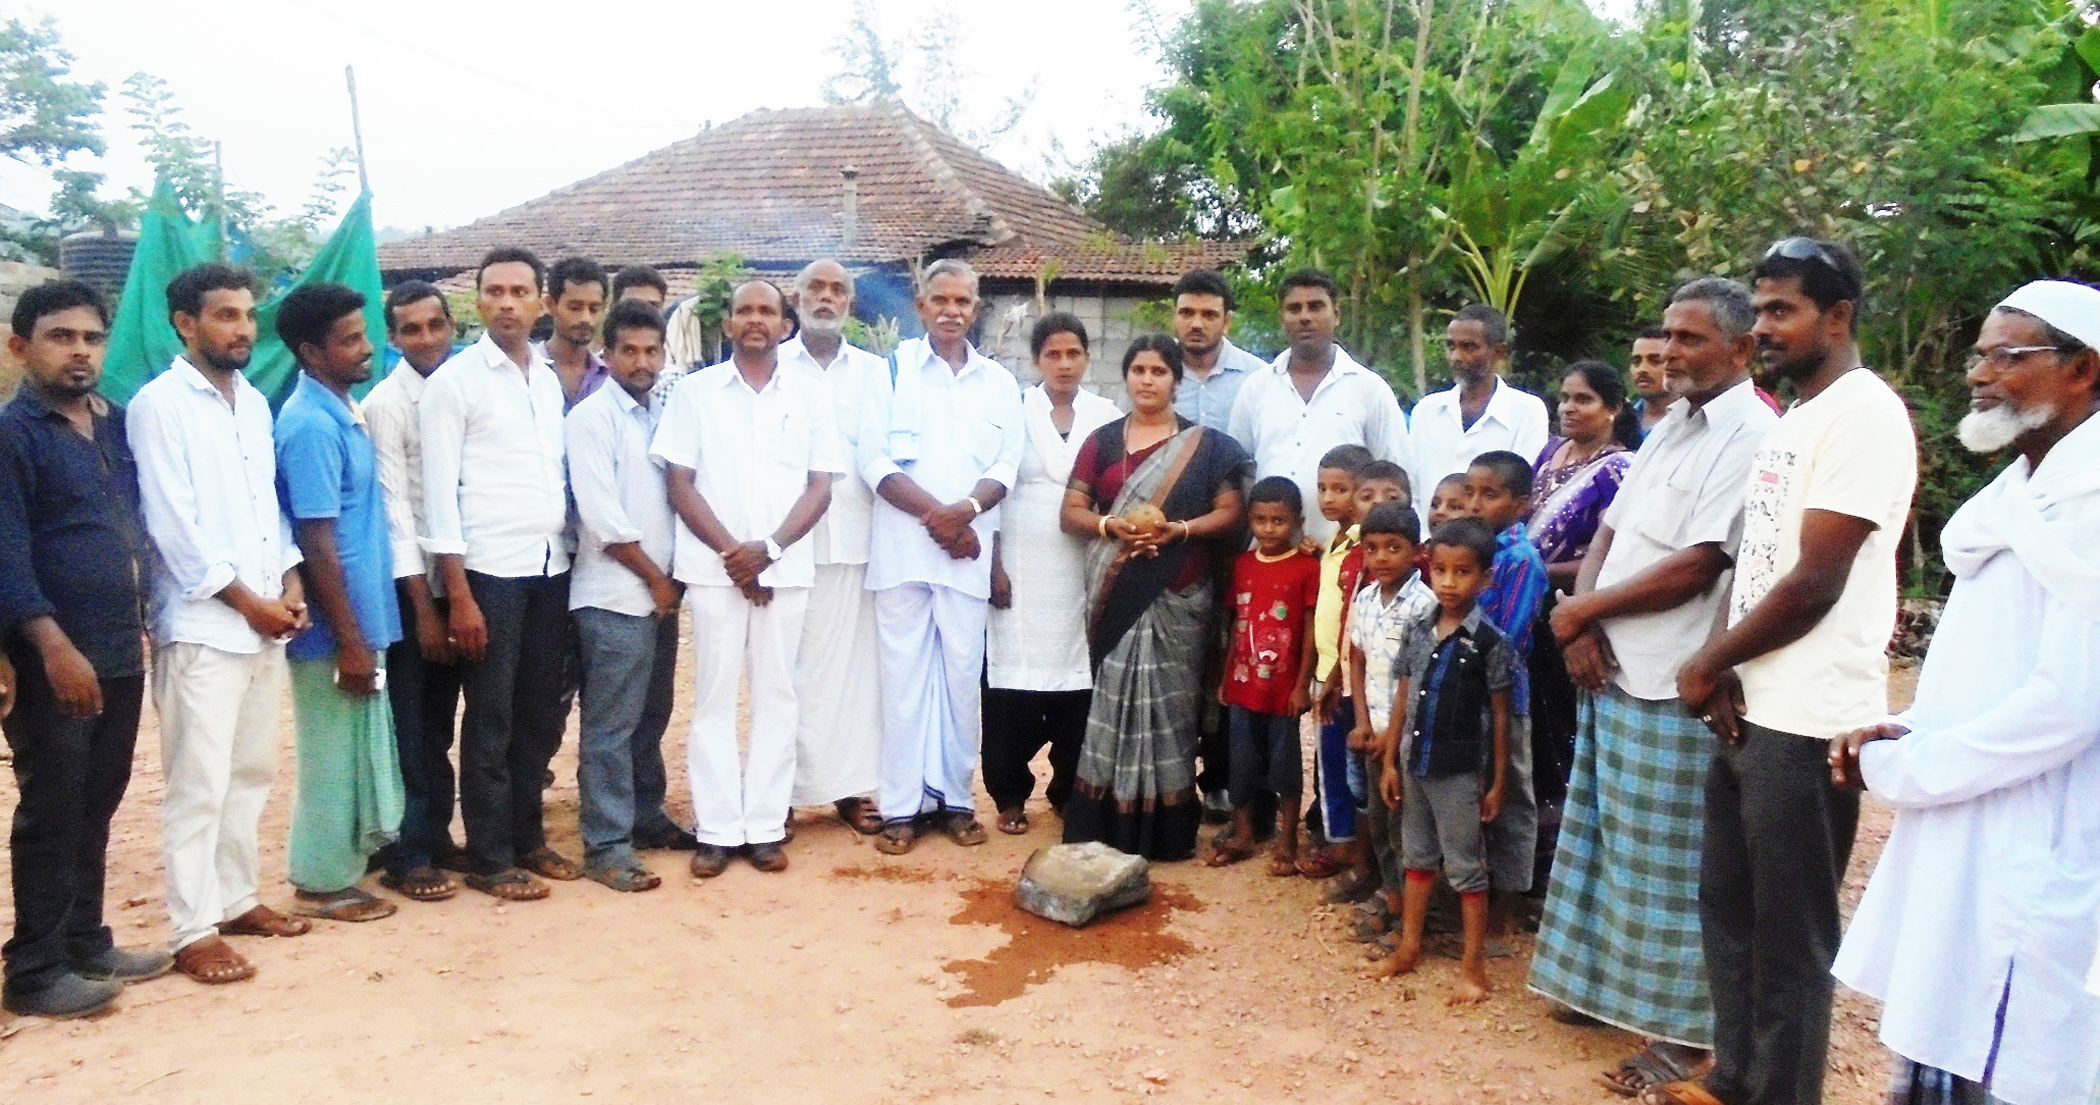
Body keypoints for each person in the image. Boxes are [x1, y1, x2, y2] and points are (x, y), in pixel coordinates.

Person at [1654, 238, 1918, 1105]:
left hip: (1808, 718)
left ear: (1837, 317)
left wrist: (1707, 660)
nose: (1763, 326)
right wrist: (1726, 667)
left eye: (1781, 310)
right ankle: (1735, 1077)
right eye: (1760, 308)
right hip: (1751, 702)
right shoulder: (1799, 415)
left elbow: (1815, 580)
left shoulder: (1865, 415)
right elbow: (1756, 562)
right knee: (1728, 906)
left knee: (1791, 937)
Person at [1828, 280, 2100, 1105]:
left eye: (2006, 356)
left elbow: (2069, 704)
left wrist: (1916, 766)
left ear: (2083, 367)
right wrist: (1909, 727)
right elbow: (1987, 664)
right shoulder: (2012, 499)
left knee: (2021, 1043)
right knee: (1950, 1020)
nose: (1978, 373)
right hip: (1971, 809)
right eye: (1977, 355)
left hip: (2050, 824)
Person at [1530, 276, 1775, 1096]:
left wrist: (1580, 612)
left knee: (1675, 868)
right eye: (1667, 334)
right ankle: (1604, 991)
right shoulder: (1668, 426)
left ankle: (1683, 1035)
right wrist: (1579, 620)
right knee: (1608, 845)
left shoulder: (1754, 434)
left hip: (1676, 679)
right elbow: (1608, 533)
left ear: (1740, 348)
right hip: (1610, 663)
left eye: (1690, 338)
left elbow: (1701, 563)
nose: (1669, 351)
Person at [129, 263, 310, 985]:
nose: (242, 328)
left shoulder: (254, 404)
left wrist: (290, 581)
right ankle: (191, 928)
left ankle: (236, 899)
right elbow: (172, 526)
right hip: (203, 624)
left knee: (251, 770)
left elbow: (268, 507)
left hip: (263, 619)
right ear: (186, 323)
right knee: (198, 781)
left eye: (247, 315)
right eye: (226, 315)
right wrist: (248, 601)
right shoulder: (159, 405)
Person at [0, 280, 171, 1018]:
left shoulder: (115, 425)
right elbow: (6, 551)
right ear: (21, 347)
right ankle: (34, 969)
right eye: (60, 336)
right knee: (53, 802)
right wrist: (50, 645)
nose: (80, 351)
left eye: (92, 338)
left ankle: (84, 940)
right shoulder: (12, 435)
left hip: (119, 646)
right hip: (53, 656)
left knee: (98, 797)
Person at [657, 279, 839, 875]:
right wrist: (736, 555)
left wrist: (770, 550)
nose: (755, 319)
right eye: (744, 311)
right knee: (712, 698)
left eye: (766, 311)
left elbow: (821, 486)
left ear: (786, 325)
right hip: (715, 571)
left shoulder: (811, 394)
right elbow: (680, 483)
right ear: (728, 324)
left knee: (777, 696)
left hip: (784, 568)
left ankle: (763, 826)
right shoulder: (695, 392)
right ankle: (716, 829)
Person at [420, 247, 580, 901]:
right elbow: (438, 499)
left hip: (550, 565)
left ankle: (527, 837)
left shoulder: (545, 377)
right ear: (479, 301)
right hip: (488, 574)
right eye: (495, 291)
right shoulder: (453, 384)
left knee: (539, 710)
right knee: (490, 716)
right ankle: (488, 855)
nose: (507, 303)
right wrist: (459, 596)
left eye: (519, 291)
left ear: (541, 301)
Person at [1060, 335, 1250, 861]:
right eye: (1138, 369)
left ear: (1176, 380)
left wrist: (1179, 531)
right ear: (1126, 376)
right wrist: (1111, 526)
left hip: (1179, 593)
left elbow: (1231, 512)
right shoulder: (1101, 442)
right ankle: (1103, 821)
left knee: (1172, 712)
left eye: (1159, 371)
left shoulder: (1207, 447)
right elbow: (1070, 512)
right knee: (1111, 701)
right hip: (1116, 590)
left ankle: (1167, 831)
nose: (1147, 380)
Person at [857, 259, 1023, 856]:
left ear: (975, 310)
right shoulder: (890, 371)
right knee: (902, 683)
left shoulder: (999, 383)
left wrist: (966, 512)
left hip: (966, 558)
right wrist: (943, 519)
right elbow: (874, 462)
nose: (952, 310)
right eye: (941, 299)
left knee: (958, 682)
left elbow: (1006, 465)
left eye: (963, 301)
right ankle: (902, 808)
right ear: (921, 306)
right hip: (904, 553)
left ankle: (955, 801)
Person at [271, 282, 405, 925]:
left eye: (364, 333)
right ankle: (320, 883)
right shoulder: (309, 426)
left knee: (353, 748)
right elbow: (317, 541)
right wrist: (348, 639)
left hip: (361, 614)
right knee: (329, 755)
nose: (367, 347)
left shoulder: (340, 411)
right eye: (349, 340)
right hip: (333, 627)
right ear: (310, 351)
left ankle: (344, 868)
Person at [566, 300, 692, 892]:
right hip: (614, 596)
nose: (642, 362)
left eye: (651, 351)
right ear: (607, 354)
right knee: (610, 726)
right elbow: (602, 519)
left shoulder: (660, 415)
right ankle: (606, 845)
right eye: (629, 351)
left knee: (651, 715)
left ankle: (645, 817)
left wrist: (672, 582)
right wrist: (657, 579)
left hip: (659, 596)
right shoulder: (591, 419)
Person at [1364, 516, 1514, 1006]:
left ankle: (1473, 969)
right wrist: (1390, 762)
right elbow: (1403, 699)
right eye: (1441, 570)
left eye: (1462, 572)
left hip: (1458, 773)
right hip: (1414, 765)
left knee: (1466, 868)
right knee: (1417, 857)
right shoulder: (1418, 629)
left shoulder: (1490, 642)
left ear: (1485, 578)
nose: (1448, 583)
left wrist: (1497, 783)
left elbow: (1500, 716)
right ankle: (1409, 947)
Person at [984, 312, 1121, 835]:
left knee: (1079, 684)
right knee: (1010, 686)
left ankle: (1069, 791)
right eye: (1053, 355)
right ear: (1036, 359)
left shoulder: (1107, 415)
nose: (1064, 364)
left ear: (1087, 357)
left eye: (1073, 354)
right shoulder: (1012, 409)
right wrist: (993, 565)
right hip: (1020, 566)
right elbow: (993, 487)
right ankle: (1009, 794)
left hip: (1082, 565)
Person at [364, 281, 466, 901]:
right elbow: (396, 510)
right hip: (413, 589)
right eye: (410, 329)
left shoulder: (460, 388)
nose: (425, 339)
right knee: (411, 723)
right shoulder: (386, 404)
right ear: (392, 337)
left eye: (434, 325)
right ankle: (409, 852)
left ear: (452, 325)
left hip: (459, 580)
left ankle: (436, 833)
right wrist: (424, 610)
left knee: (439, 722)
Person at [780, 259, 888, 835]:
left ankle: (847, 788)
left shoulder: (874, 373)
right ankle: (780, 792)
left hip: (855, 538)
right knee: (784, 673)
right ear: (796, 298)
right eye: (816, 288)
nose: (826, 298)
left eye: (838, 290)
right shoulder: (771, 367)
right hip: (784, 543)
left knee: (851, 677)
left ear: (850, 302)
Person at [1525, 360, 1635, 855]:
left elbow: (1611, 555)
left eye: (1583, 399)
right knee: (1529, 722)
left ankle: (1561, 849)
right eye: (1565, 398)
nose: (1568, 407)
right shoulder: (1550, 452)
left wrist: (1538, 572)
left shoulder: (1620, 469)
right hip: (1526, 606)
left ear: (1613, 409)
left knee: (1561, 726)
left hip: (1572, 607)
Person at [1226, 267, 1409, 545]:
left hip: (1346, 553)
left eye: (1315, 307)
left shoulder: (1369, 389)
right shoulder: (1256, 388)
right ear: (1282, 318)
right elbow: (1238, 474)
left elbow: (1395, 476)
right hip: (1271, 554)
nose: (1305, 317)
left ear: (1336, 315)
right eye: (1294, 308)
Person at [1208, 476, 1321, 870]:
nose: (1269, 529)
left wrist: (1302, 685)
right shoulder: (1242, 565)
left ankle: (1287, 839)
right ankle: (1243, 834)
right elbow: (1237, 625)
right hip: (1243, 688)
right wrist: (1225, 677)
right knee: (1240, 763)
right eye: (1260, 520)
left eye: (1279, 521)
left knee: (1284, 766)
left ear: (1297, 523)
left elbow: (1309, 630)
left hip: (1282, 691)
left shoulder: (1307, 568)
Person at [1462, 450, 1549, 930]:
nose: (1475, 504)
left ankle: (1508, 905)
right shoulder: (1468, 553)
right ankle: (1469, 896)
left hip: (1502, 701)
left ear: (1520, 505)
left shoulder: (1519, 560)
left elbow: (1506, 640)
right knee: (1469, 790)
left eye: (1489, 494)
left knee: (1510, 794)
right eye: (1470, 492)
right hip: (1461, 695)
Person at [1312, 458, 1408, 892]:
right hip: (1356, 690)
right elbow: (1352, 635)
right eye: (1367, 496)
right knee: (1357, 779)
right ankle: (1364, 864)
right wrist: (1335, 677)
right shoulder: (1355, 559)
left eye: (1391, 496)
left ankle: (1392, 885)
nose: (1378, 504)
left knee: (1393, 788)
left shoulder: (1416, 578)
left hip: (1395, 703)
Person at [1344, 502, 1435, 945]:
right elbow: (1357, 659)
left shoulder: (1424, 606)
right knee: (1379, 823)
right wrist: (1362, 723)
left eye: (1393, 548)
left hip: (1404, 739)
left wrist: (1391, 738)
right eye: (1372, 548)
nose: (1381, 557)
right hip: (1374, 735)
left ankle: (1412, 919)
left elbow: (1413, 681)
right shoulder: (1365, 598)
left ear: (1417, 552)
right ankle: (1394, 899)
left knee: (1406, 830)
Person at [1295, 444, 1371, 875]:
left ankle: (1352, 850)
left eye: (1340, 489)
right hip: (1326, 671)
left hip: (1346, 676)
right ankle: (1340, 840)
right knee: (1331, 763)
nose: (1327, 498)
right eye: (1322, 488)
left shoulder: (1364, 548)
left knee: (1349, 767)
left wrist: (1337, 677)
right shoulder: (1332, 543)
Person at [1409, 305, 1550, 512]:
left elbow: (1523, 487)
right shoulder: (1426, 410)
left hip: (1492, 533)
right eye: (1451, 346)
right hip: (1428, 531)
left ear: (1499, 352)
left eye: (1468, 347)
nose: (1456, 356)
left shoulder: (1527, 411)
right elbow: (1412, 487)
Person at [1169, 269, 1265, 437]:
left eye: (1209, 315)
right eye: (1187, 313)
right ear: (1174, 316)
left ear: (1226, 321)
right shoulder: (1151, 373)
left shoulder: (1257, 377)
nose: (1196, 324)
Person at [537, 256, 609, 410]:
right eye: (575, 308)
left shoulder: (610, 379)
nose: (585, 318)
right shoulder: (524, 371)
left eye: (594, 309)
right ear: (550, 305)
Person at [1628, 327, 1673, 443]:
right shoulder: (1616, 423)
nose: (1642, 369)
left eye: (1655, 361)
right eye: (1636, 361)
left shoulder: (1694, 424)